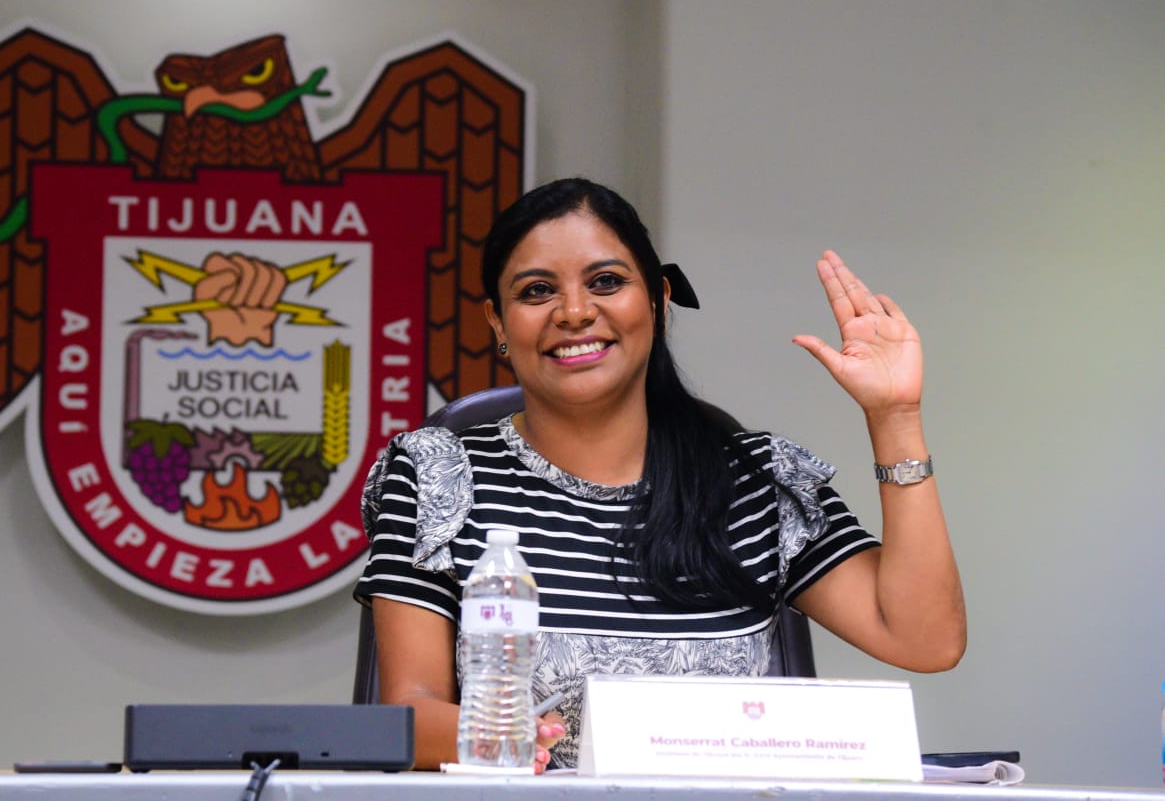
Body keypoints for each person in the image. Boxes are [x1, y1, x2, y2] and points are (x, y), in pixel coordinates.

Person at [355, 177, 965, 772]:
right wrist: (518, 736)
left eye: (606, 282)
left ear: (659, 299)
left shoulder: (752, 483)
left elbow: (924, 640)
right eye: (537, 291)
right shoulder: (439, 478)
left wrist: (895, 416)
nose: (573, 312)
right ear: (497, 323)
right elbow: (408, 712)